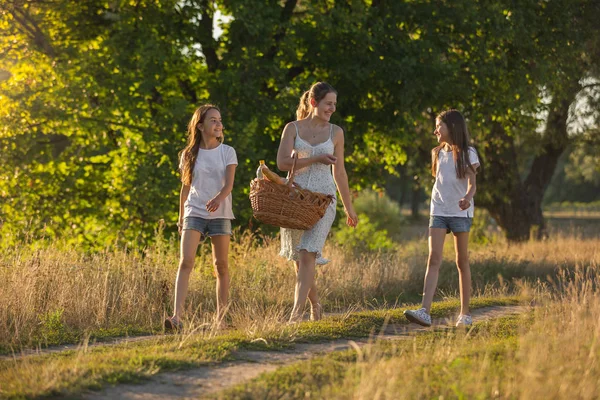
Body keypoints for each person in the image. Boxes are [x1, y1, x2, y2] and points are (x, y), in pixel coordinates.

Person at [277, 82, 358, 323]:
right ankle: (316, 305)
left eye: (334, 104)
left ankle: (295, 316)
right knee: (299, 261)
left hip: (324, 200)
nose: (332, 108)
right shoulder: (292, 128)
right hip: (296, 198)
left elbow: (340, 173)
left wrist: (349, 208)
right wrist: (315, 158)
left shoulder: (336, 133)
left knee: (307, 254)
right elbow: (282, 163)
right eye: (328, 103)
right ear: (314, 102)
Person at [404, 109, 480, 327]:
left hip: (460, 212)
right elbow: (440, 181)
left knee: (461, 261)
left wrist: (466, 198)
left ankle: (465, 314)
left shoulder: (468, 153)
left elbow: (472, 184)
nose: (435, 130)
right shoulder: (436, 153)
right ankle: (424, 311)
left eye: (439, 126)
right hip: (438, 210)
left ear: (452, 127)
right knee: (433, 259)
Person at [165, 104, 238, 330]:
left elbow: (229, 184)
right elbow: (185, 188)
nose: (218, 124)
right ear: (200, 126)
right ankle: (176, 317)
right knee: (185, 262)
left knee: (221, 265)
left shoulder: (227, 152)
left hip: (220, 213)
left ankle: (221, 320)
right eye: (213, 120)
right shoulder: (189, 154)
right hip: (194, 211)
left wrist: (218, 199)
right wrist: (180, 218)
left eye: (219, 120)